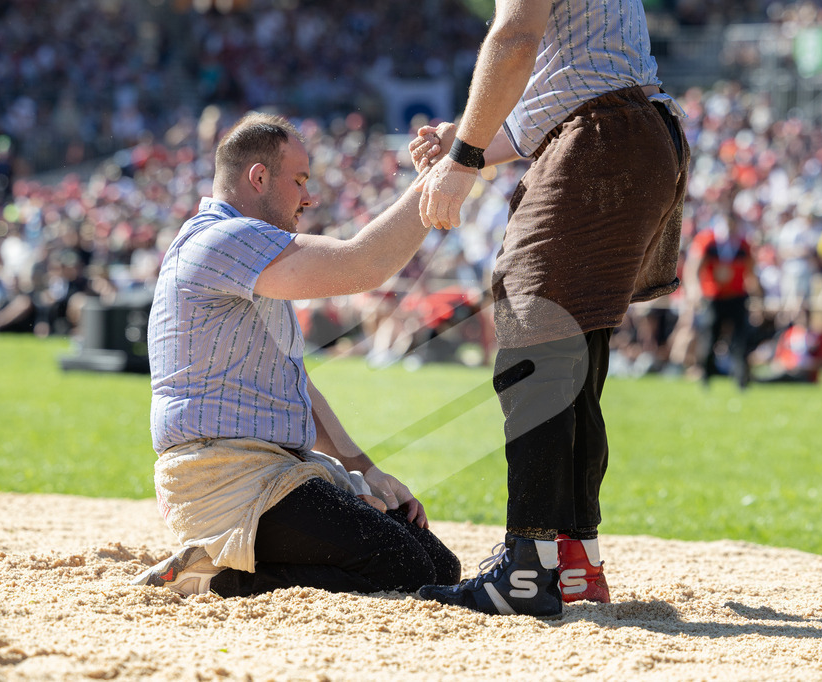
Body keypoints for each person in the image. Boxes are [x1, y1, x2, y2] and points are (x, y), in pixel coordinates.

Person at [407, 0, 689, 618]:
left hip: (601, 137)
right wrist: (467, 143)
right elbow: (560, 94)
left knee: (532, 345)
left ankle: (528, 569)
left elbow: (513, 37)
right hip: (635, 131)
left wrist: (463, 160)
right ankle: (573, 560)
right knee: (575, 353)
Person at [132, 112, 459, 598]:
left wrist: (369, 472)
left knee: (439, 565)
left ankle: (222, 567)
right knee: (405, 565)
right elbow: (362, 265)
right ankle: (217, 578)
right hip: (226, 478)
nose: (309, 197)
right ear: (258, 177)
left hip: (265, 470)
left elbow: (297, 386)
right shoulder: (222, 238)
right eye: (300, 180)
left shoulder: (247, 256)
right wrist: (447, 172)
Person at [683, 213, 761, 389]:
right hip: (714, 297)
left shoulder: (742, 244)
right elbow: (694, 268)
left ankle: (741, 379)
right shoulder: (707, 241)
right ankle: (706, 377)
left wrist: (757, 296)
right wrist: (695, 290)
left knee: (740, 339)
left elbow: (751, 271)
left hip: (737, 296)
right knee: (710, 338)